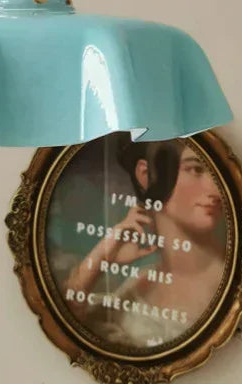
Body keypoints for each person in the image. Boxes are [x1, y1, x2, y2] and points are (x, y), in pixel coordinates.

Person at [63, 137, 226, 348]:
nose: (215, 190)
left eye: (216, 174)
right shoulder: (140, 282)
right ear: (146, 175)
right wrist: (103, 255)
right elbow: (66, 323)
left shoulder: (228, 278)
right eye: (195, 170)